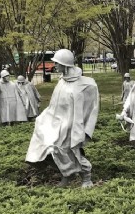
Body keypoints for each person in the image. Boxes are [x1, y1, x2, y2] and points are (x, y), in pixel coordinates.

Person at [25, 49, 99, 188]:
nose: (55, 65)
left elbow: (91, 108)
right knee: (49, 149)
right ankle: (67, 174)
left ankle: (86, 177)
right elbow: (55, 104)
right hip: (55, 122)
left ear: (65, 65)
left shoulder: (85, 84)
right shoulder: (62, 81)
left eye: (57, 63)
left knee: (69, 151)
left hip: (71, 125)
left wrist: (82, 128)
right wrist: (43, 118)